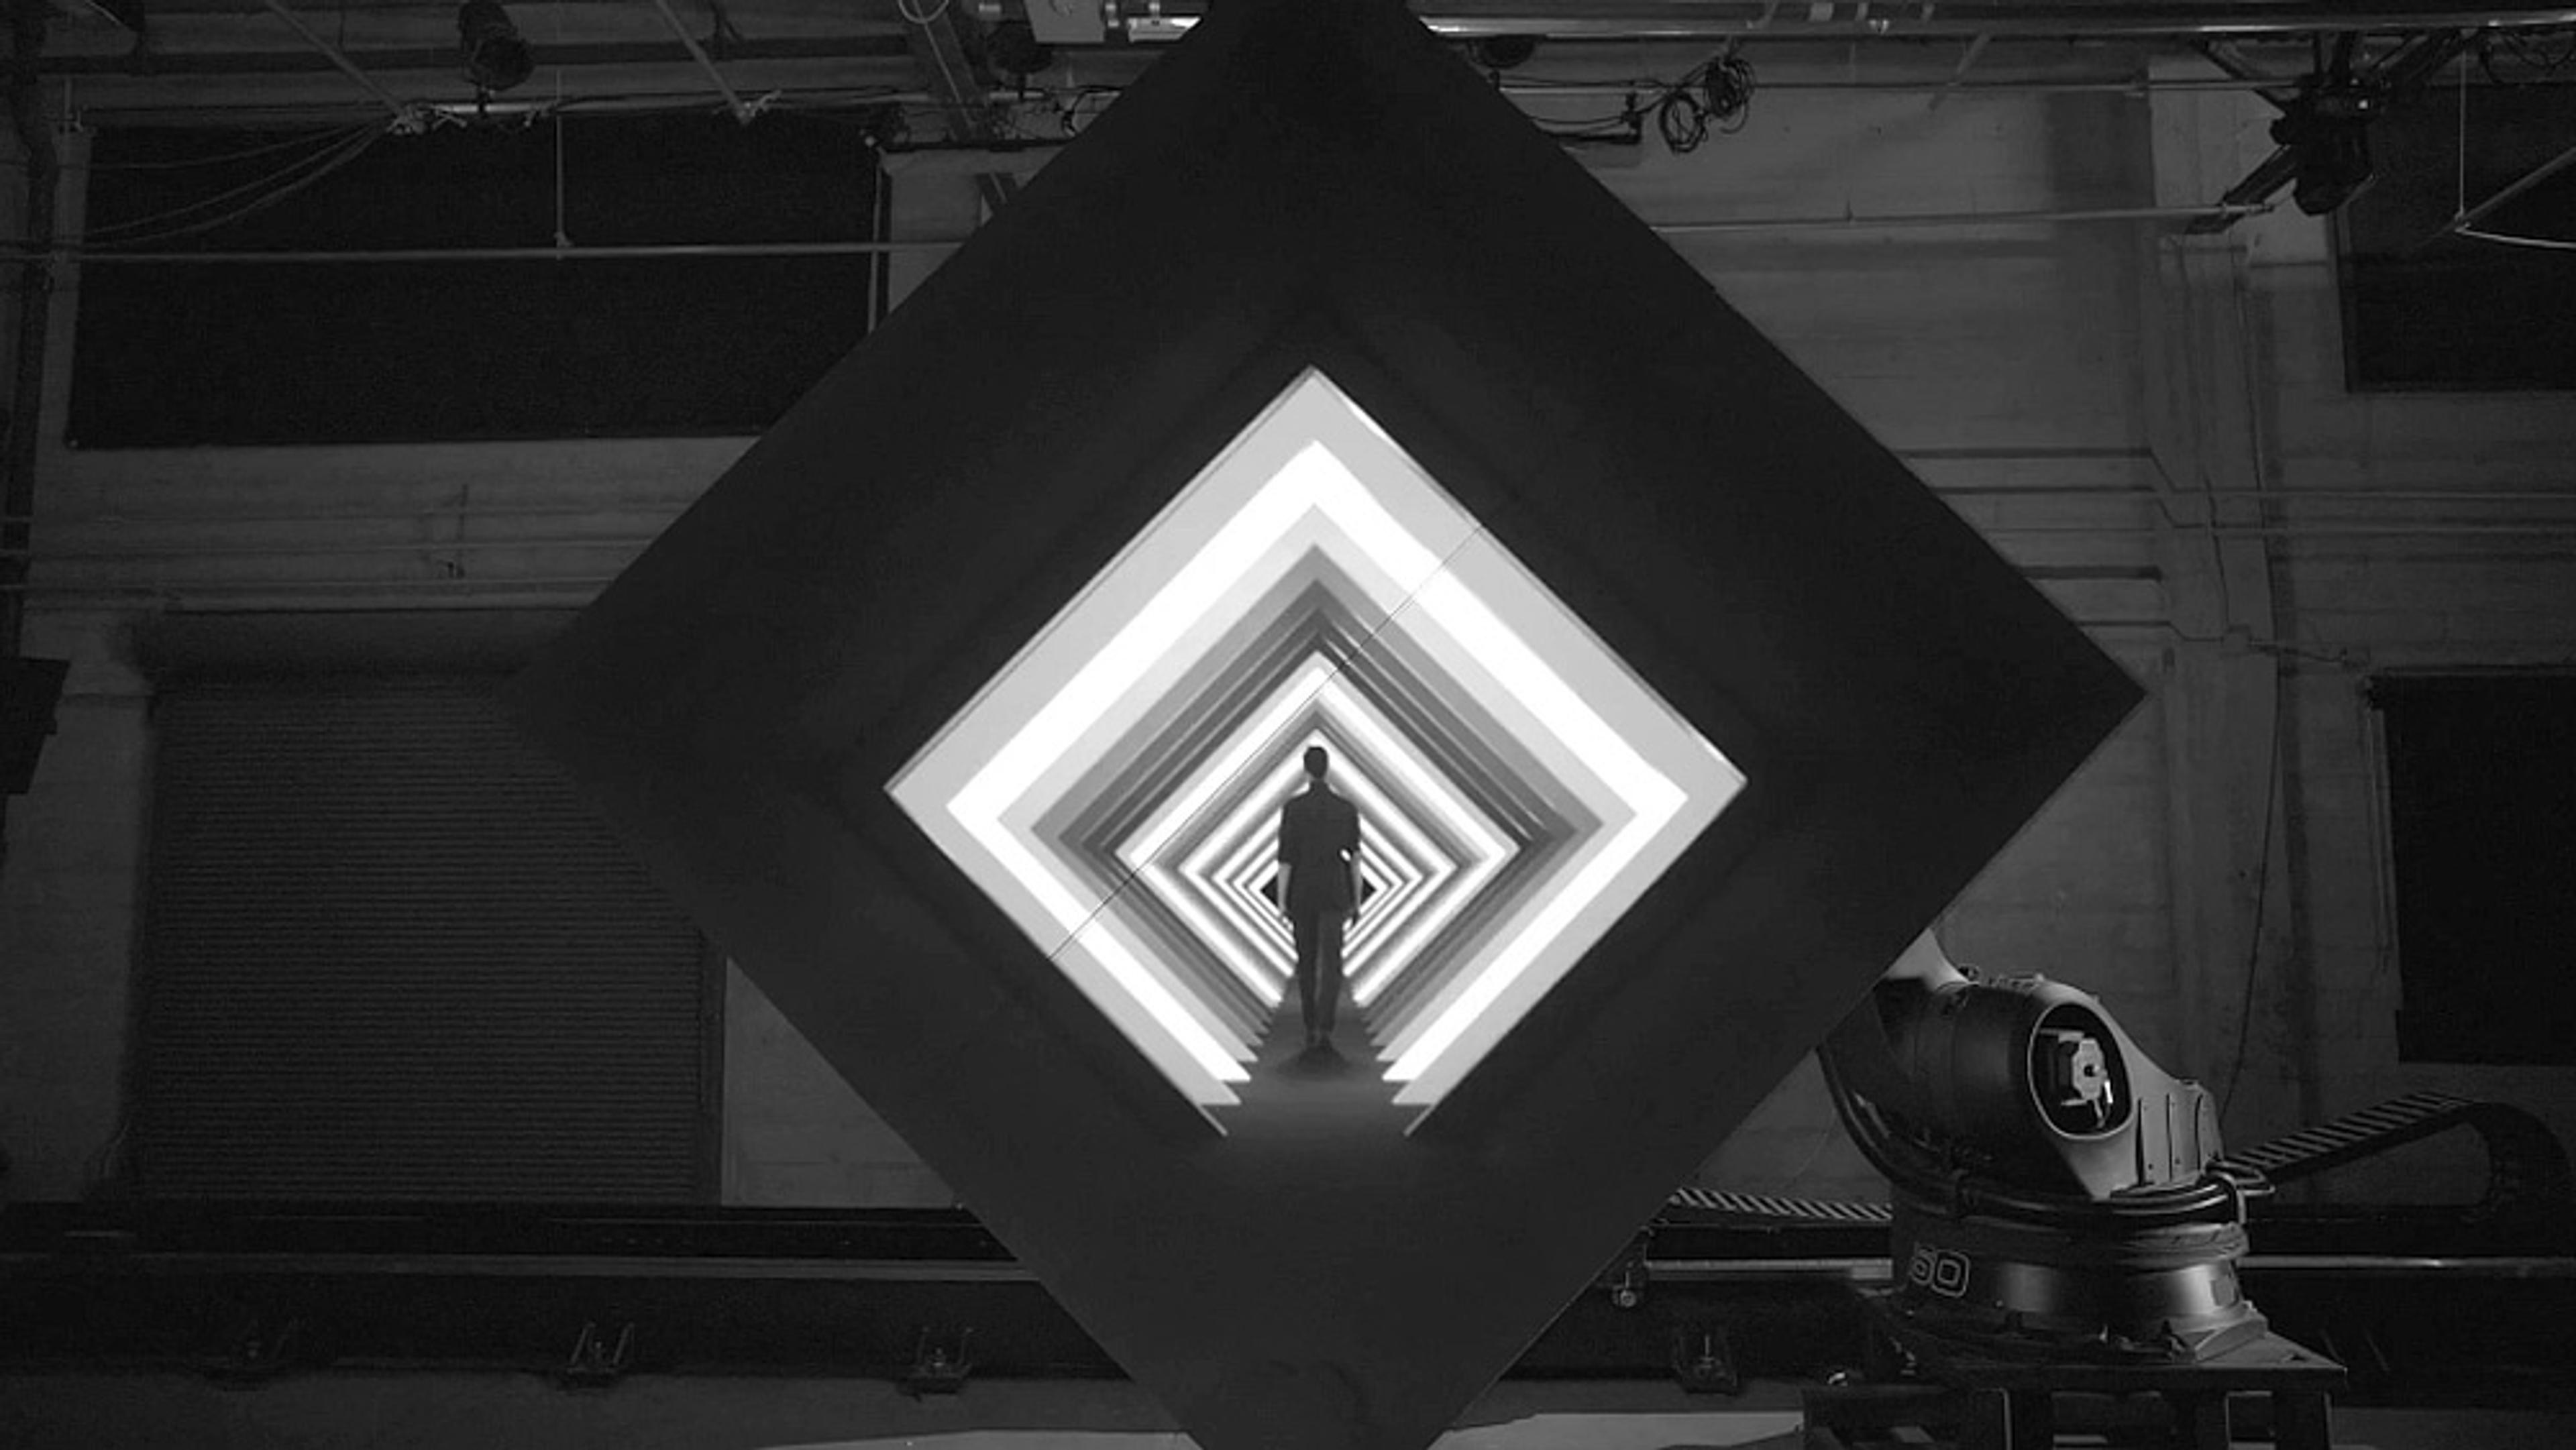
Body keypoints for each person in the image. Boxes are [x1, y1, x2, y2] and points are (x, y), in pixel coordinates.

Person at [1275, 744, 1360, 1052]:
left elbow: (1286, 860)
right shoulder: (1346, 809)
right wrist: (1357, 900)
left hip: (1303, 891)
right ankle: (1326, 1025)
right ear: (1328, 769)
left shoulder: (1293, 809)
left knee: (1307, 961)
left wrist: (1282, 902)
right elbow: (1354, 859)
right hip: (1335, 890)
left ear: (1306, 770)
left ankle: (1310, 1024)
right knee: (1333, 961)